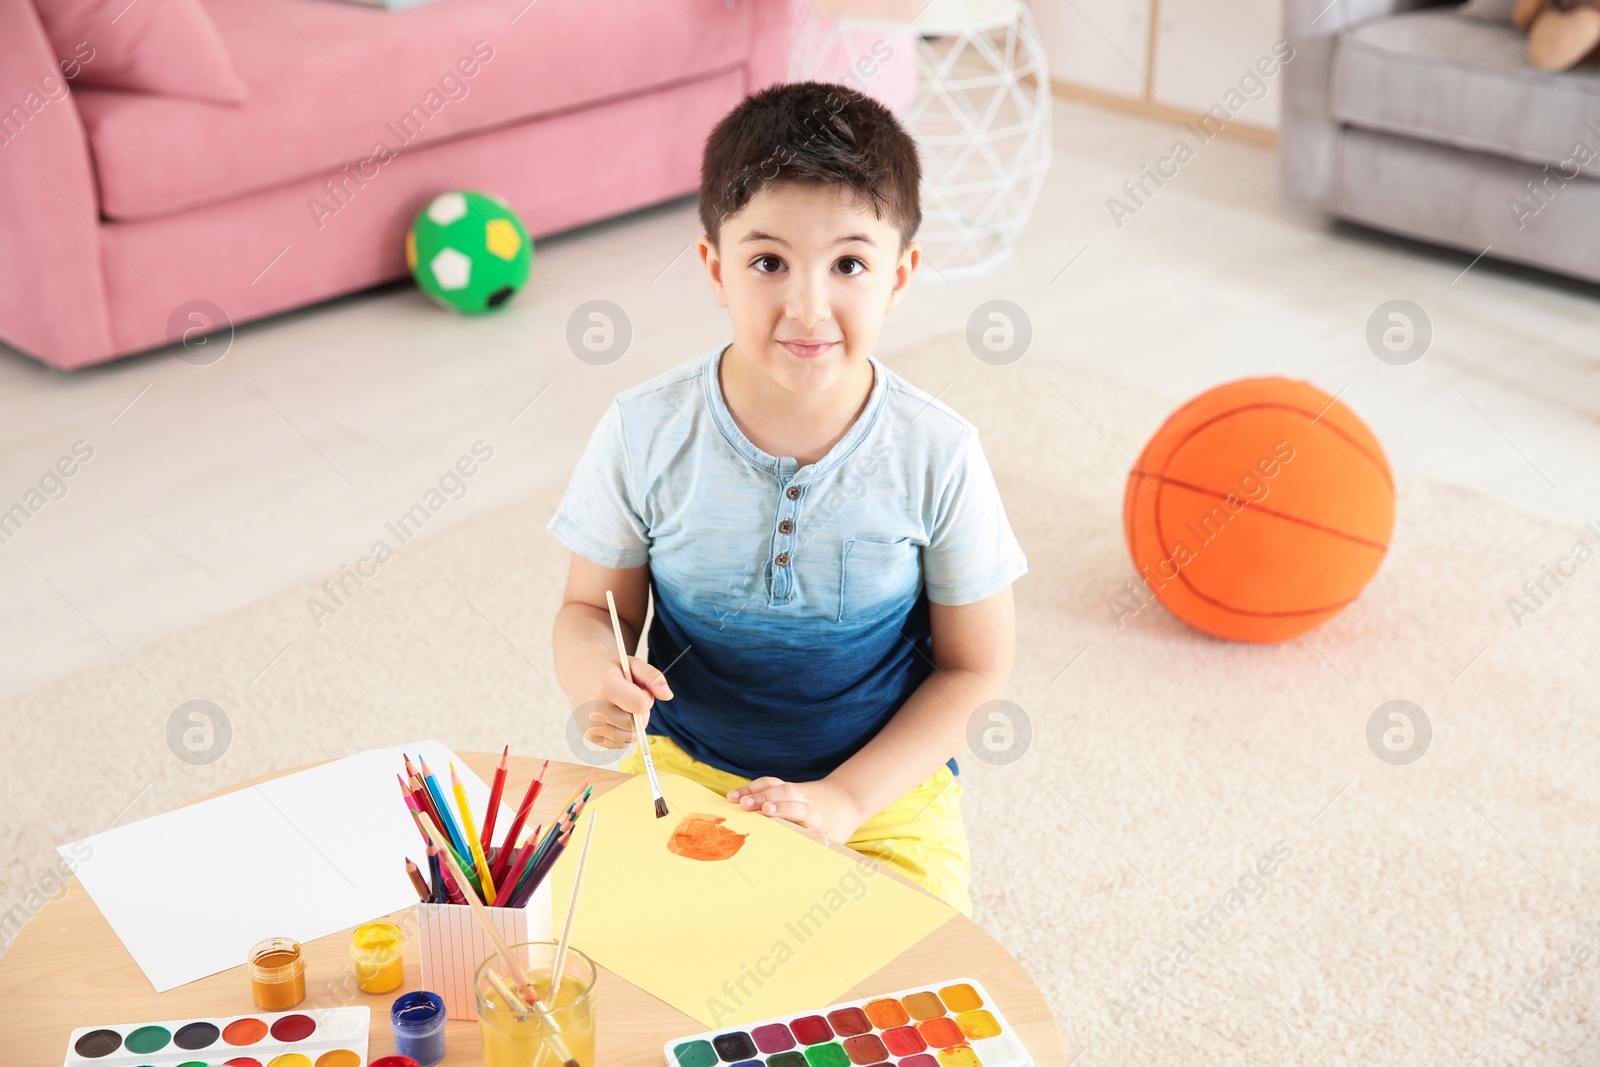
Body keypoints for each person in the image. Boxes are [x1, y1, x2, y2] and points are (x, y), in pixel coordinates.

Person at [547, 81, 1027, 915]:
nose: (809, 306)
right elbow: (590, 609)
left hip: (880, 798)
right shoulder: (642, 431)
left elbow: (977, 667)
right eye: (768, 262)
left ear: (900, 275)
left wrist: (841, 801)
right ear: (715, 268)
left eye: (849, 263)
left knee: (897, 976)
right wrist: (596, 682)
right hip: (686, 776)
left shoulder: (939, 451)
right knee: (619, 939)